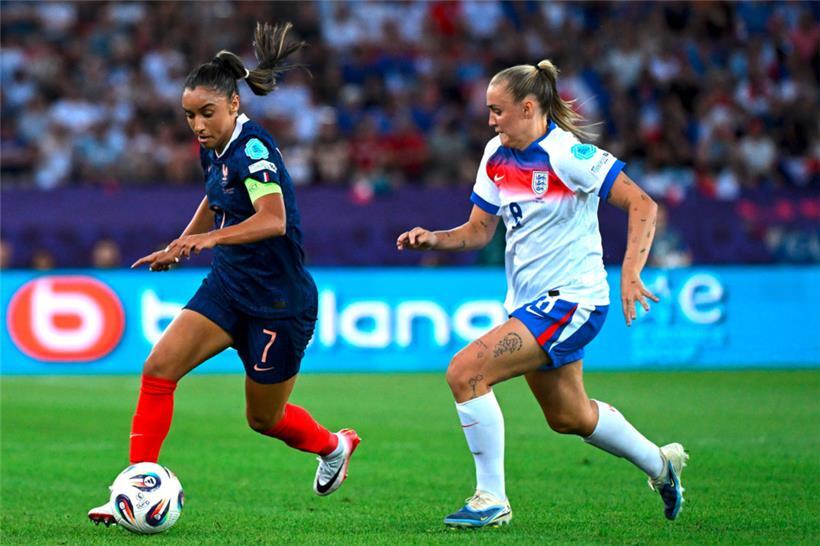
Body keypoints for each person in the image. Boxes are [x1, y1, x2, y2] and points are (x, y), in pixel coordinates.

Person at [89, 22, 360, 526]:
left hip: (279, 302)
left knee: (265, 419)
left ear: (234, 105)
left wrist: (207, 239)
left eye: (206, 112)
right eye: (189, 115)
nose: (196, 124)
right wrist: (180, 244)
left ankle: (334, 445)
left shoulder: (254, 150)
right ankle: (135, 490)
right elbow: (216, 197)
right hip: (229, 288)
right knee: (158, 370)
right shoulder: (213, 146)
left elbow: (273, 219)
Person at [397, 60, 687, 529]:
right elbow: (477, 231)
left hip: (572, 299)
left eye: (498, 110)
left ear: (529, 107)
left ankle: (491, 498)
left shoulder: (568, 154)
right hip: (531, 304)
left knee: (466, 372)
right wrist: (434, 238)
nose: (491, 120)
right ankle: (661, 466)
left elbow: (642, 202)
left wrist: (631, 270)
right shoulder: (496, 153)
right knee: (569, 416)